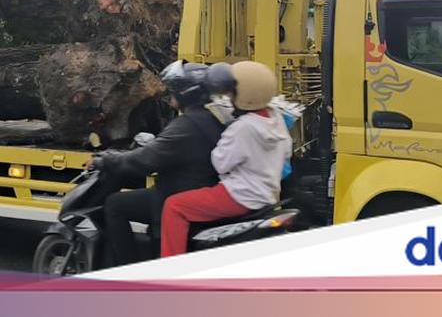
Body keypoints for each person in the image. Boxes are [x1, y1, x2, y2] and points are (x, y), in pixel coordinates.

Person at [89, 61, 231, 266]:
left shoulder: (186, 125)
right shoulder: (210, 119)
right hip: (199, 187)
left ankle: (128, 268)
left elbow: (146, 159)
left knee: (114, 204)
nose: (170, 93)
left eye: (173, 89)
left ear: (184, 93)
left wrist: (105, 159)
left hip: (175, 193)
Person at [159, 60, 292, 258]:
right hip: (267, 194)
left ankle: (170, 269)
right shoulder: (276, 119)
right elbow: (286, 154)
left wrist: (226, 130)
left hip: (239, 195)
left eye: (231, 93)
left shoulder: (242, 128)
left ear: (244, 96)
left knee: (174, 206)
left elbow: (220, 163)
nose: (229, 97)